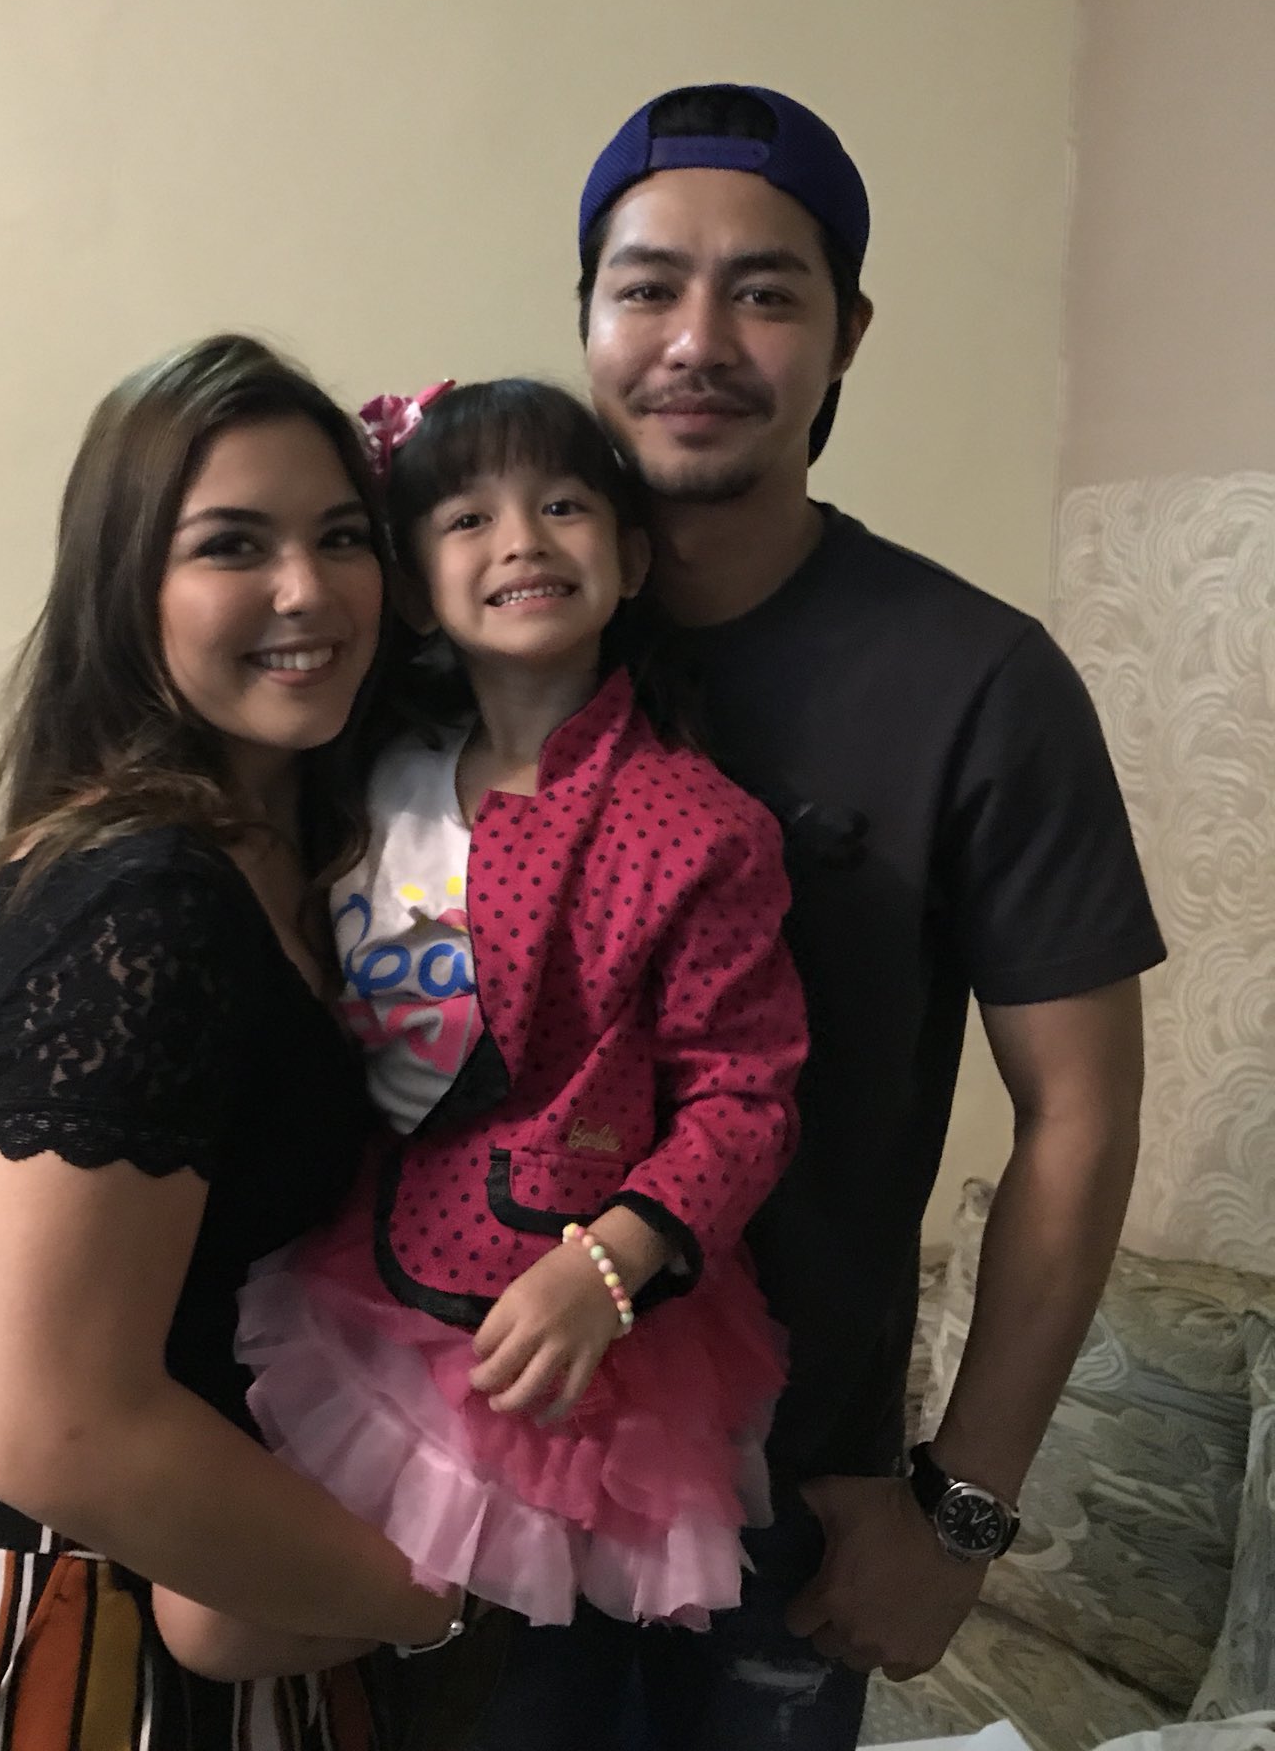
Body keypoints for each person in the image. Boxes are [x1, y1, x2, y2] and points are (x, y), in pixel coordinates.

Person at [467, 84, 1166, 1751]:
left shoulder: (977, 683)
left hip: (785, 1519)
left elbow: (1080, 1114)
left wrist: (962, 1515)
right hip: (461, 1455)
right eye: (647, 287)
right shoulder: (481, 644)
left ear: (846, 334)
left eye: (765, 292)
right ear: (587, 319)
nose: (697, 340)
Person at [0, 333, 466, 1751]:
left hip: (211, 1567)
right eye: (233, 545)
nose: (307, 589)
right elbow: (64, 1430)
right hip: (62, 1623)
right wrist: (439, 1602)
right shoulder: (152, 903)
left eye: (342, 537)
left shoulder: (301, 852)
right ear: (129, 588)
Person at [159, 376, 805, 1669]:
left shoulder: (701, 828)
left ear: (631, 559)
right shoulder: (359, 779)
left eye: (563, 505)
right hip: (362, 1261)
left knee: (451, 1657)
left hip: (567, 1307)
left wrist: (608, 1266)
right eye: (468, 517)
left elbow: (745, 1095)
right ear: (410, 586)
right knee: (232, 1616)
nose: (520, 540)